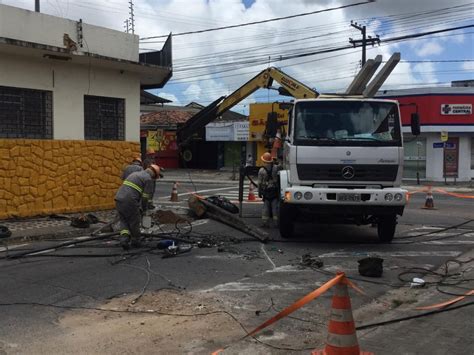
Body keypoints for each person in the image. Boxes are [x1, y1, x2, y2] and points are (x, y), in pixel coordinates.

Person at [115, 164, 161, 250]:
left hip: (118, 198)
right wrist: (144, 209)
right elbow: (145, 198)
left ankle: (124, 240)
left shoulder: (135, 174)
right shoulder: (148, 179)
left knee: (124, 220)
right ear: (154, 175)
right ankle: (136, 241)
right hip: (130, 200)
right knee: (134, 221)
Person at [258, 152, 281, 228]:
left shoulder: (261, 170)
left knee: (265, 208)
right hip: (274, 191)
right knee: (275, 208)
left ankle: (265, 223)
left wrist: (259, 192)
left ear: (263, 160)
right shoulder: (275, 168)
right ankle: (276, 223)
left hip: (266, 191)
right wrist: (276, 160)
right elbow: (281, 165)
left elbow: (259, 183)